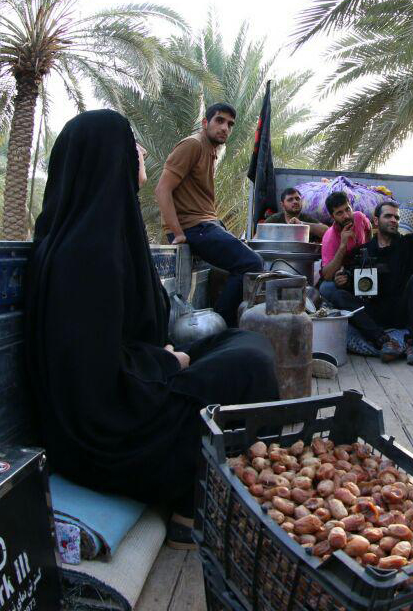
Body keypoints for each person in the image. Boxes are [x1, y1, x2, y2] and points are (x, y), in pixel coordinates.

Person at [25, 109, 280, 552]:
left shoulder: (100, 235)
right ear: (109, 158)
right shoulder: (85, 256)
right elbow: (95, 378)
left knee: (240, 342)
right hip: (105, 435)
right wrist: (167, 360)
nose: (141, 151)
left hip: (134, 386)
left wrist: (163, 354)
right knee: (249, 364)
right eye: (132, 143)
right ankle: (188, 504)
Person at [154, 103, 264, 326]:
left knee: (242, 261)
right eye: (219, 121)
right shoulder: (192, 145)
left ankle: (227, 323)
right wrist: (178, 233)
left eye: (230, 124)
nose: (225, 128)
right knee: (251, 262)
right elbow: (162, 189)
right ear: (206, 123)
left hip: (207, 225)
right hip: (194, 228)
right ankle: (217, 326)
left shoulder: (211, 150)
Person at [319, 200, 413, 365]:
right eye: (388, 216)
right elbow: (351, 284)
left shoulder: (408, 243)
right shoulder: (361, 252)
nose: (393, 220)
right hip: (374, 315)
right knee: (338, 295)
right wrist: (342, 281)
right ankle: (383, 341)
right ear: (376, 220)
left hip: (402, 312)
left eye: (396, 217)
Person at [261, 187, 328, 241]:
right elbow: (257, 238)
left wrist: (302, 224)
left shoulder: (307, 219)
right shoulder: (274, 220)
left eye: (297, 199)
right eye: (290, 200)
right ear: (282, 205)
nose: (295, 202)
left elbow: (327, 231)